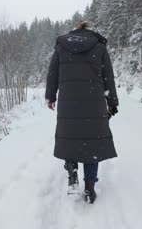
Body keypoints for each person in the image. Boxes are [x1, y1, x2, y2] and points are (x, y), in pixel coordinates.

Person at [45, 21, 119, 204]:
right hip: (94, 102)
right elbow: (108, 76)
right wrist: (112, 102)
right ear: (89, 31)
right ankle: (90, 186)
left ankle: (72, 172)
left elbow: (52, 73)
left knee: (70, 137)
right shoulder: (99, 47)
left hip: (68, 102)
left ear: (75, 30)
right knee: (92, 142)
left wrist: (50, 97)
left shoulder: (62, 47)